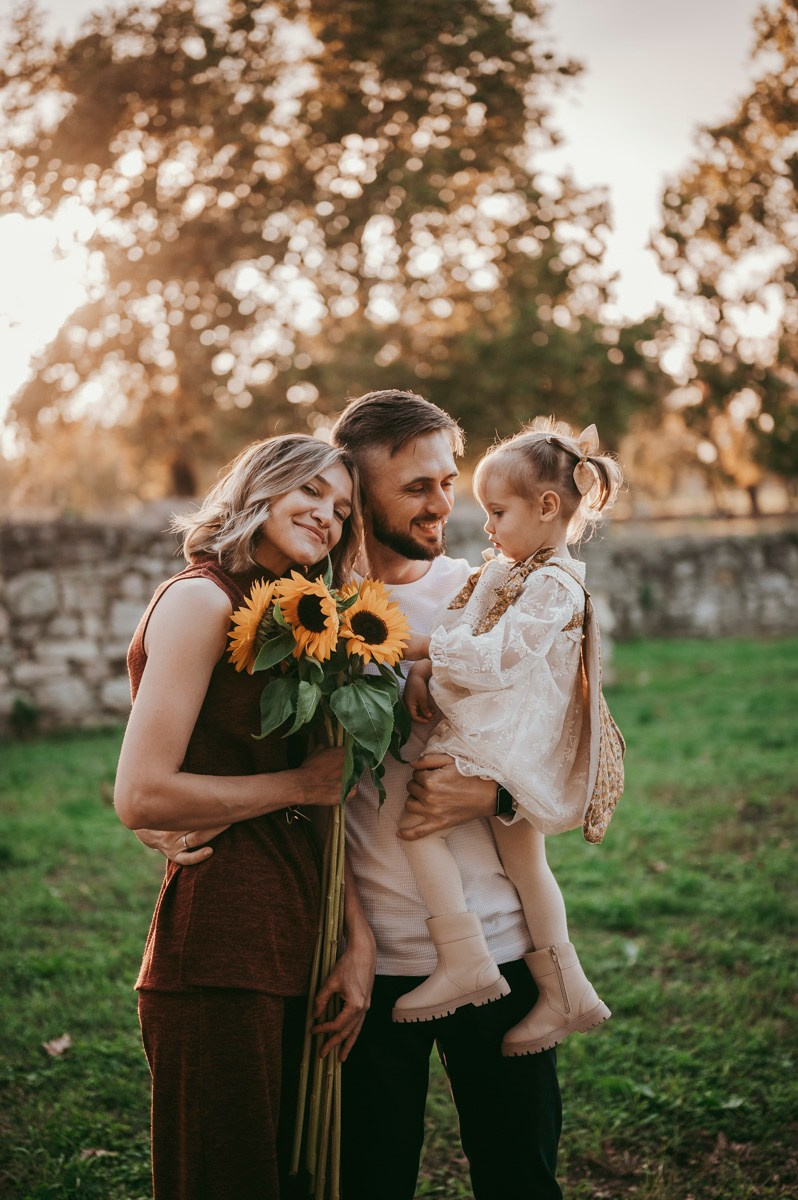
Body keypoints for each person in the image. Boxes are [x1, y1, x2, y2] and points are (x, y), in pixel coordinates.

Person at [143, 393, 564, 1200]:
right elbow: (224, 742)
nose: (444, 504)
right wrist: (173, 811)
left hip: (505, 943)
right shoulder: (304, 614)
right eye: (416, 488)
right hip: (364, 962)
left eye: (449, 480)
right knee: (368, 1179)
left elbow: (579, 764)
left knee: (521, 1174)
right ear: (356, 493)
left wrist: (493, 798)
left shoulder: (502, 597)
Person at [114, 434, 376, 1200]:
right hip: (222, 942)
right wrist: (297, 784)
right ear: (261, 489)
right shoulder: (202, 600)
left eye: (342, 509)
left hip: (298, 931)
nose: (328, 517)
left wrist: (356, 941)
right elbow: (142, 794)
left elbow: (319, 795)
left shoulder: (301, 621)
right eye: (312, 493)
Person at [394, 422, 621, 1060]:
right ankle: (566, 988)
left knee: (415, 819)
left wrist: (423, 647)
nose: (487, 527)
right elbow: (465, 625)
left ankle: (463, 958)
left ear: (548, 508)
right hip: (501, 729)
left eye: (498, 512)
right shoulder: (513, 571)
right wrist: (427, 665)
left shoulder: (554, 586)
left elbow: (498, 658)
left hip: (505, 735)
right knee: (525, 864)